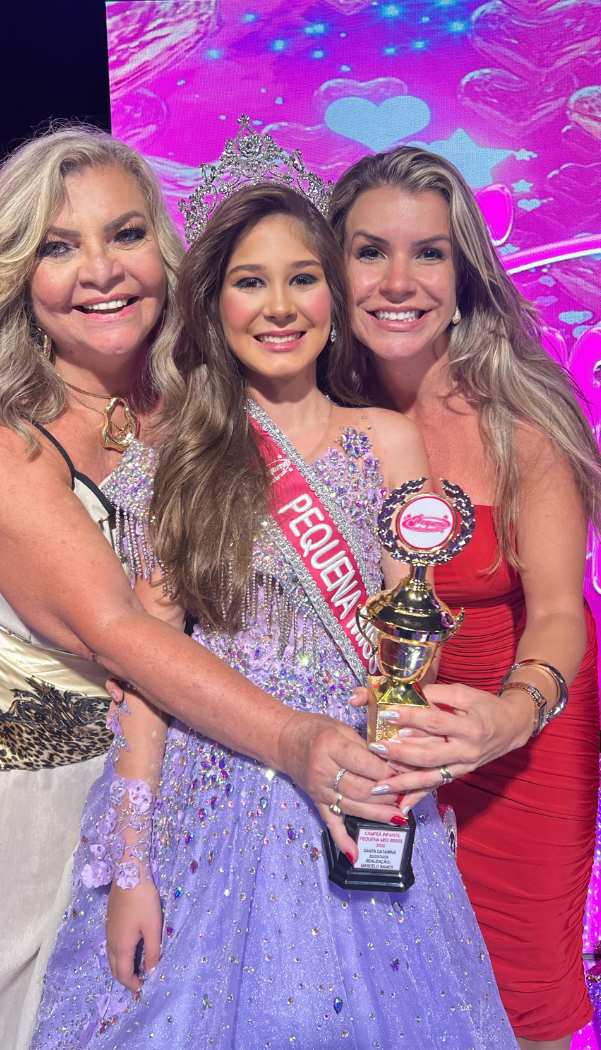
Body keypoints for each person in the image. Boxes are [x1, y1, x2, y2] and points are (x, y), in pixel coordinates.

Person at [0, 128, 408, 1050]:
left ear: (165, 248)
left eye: (124, 234)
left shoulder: (204, 405)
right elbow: (118, 631)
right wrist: (295, 735)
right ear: (16, 274)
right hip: (22, 800)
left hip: (183, 789)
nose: (100, 271)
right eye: (58, 246)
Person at [30, 180, 513, 1048]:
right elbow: (144, 670)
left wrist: (405, 714)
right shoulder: (180, 455)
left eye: (303, 278)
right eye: (251, 282)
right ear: (214, 307)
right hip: (210, 796)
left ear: (334, 294)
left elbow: (413, 634)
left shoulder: (390, 440)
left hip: (358, 781)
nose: (280, 306)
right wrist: (131, 869)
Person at [329, 146, 601, 1050]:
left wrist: (513, 717)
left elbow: (563, 610)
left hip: (516, 744)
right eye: (370, 252)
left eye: (429, 253)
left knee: (518, 1000)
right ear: (333, 265)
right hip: (356, 749)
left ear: (466, 273)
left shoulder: (519, 419)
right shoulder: (304, 409)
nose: (397, 281)